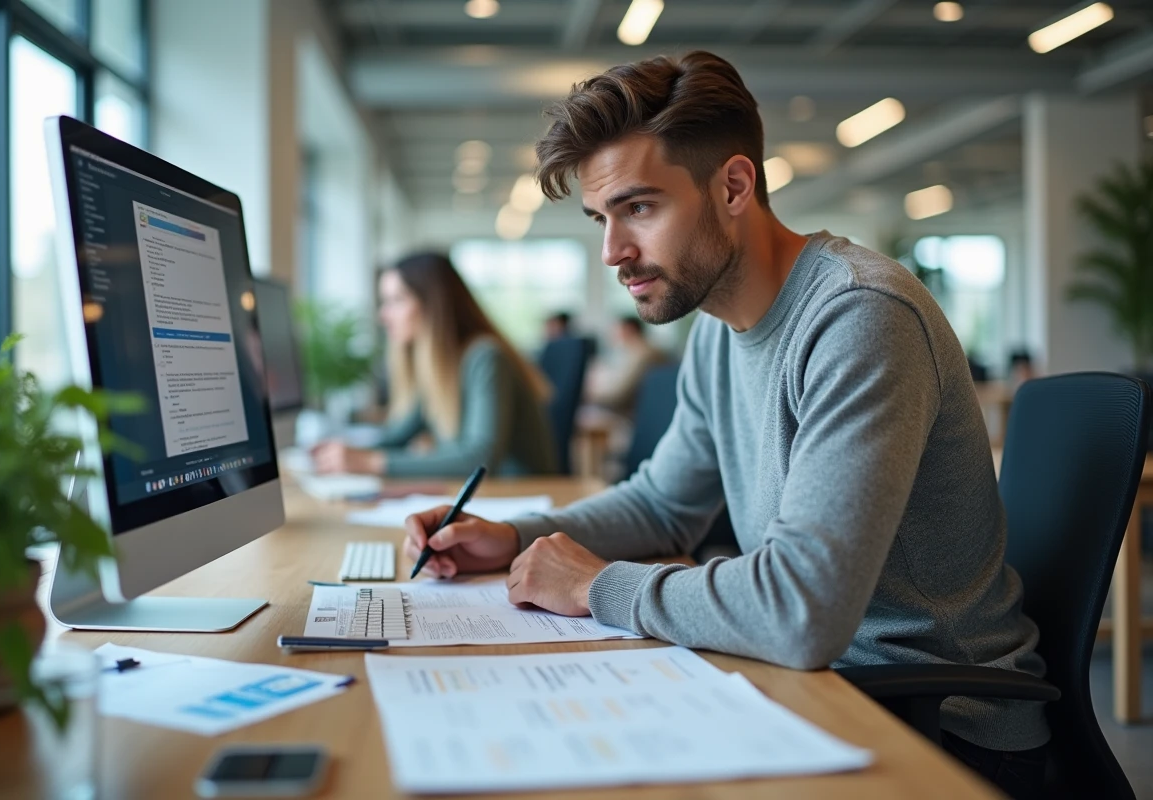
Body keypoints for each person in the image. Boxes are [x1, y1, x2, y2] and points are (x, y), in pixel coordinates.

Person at [402, 52, 1049, 797]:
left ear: (734, 185)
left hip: (936, 726)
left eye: (639, 208)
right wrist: (515, 537)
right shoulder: (714, 325)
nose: (613, 252)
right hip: (816, 688)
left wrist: (596, 586)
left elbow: (802, 610)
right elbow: (663, 505)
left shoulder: (860, 316)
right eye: (600, 219)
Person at [312, 252, 557, 478]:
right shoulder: (438, 367)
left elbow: (479, 460)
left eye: (396, 300)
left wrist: (371, 463)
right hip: (484, 502)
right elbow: (398, 436)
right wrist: (341, 455)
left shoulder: (485, 357)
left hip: (520, 503)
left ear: (433, 305)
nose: (383, 316)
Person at [586, 315, 671, 418]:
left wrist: (585, 393)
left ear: (629, 329)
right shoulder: (634, 351)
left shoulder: (642, 354)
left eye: (617, 330)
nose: (613, 335)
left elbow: (619, 396)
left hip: (634, 416)